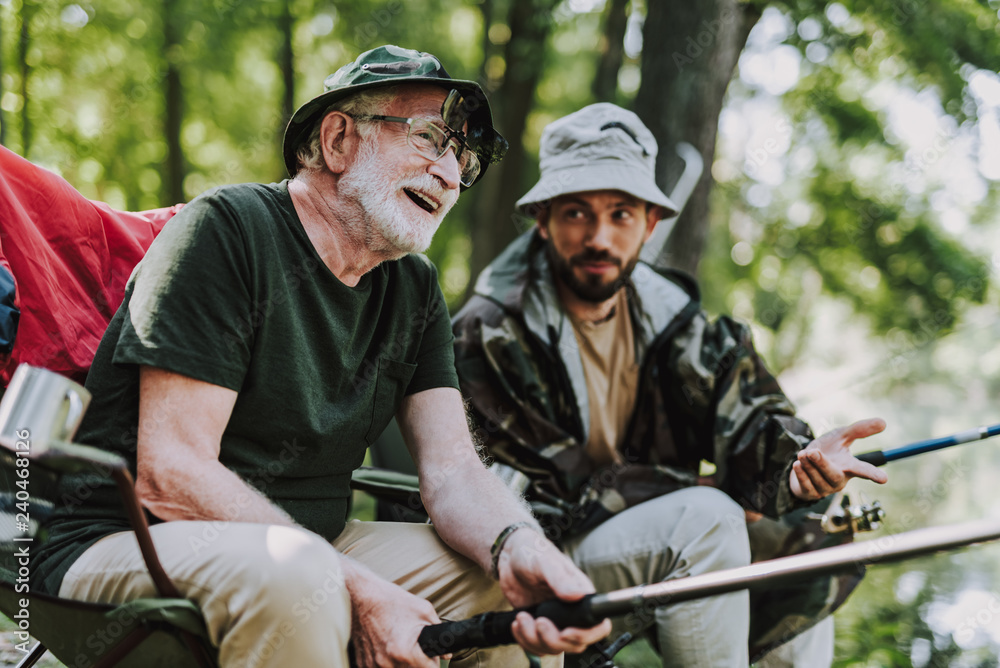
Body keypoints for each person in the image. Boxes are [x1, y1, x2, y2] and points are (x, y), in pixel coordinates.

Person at [29, 46, 612, 668]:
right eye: (430, 139)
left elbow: (453, 473)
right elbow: (170, 474)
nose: (449, 174)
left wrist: (518, 545)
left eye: (463, 159)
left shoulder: (413, 290)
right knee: (302, 576)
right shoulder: (226, 230)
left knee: (498, 586)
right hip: (126, 541)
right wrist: (358, 588)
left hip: (308, 549)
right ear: (338, 140)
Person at [451, 103, 890, 666]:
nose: (599, 238)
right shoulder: (488, 332)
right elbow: (556, 489)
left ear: (650, 223)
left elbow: (754, 415)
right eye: (577, 213)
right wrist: (700, 490)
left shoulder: (680, 324)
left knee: (805, 544)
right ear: (543, 218)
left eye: (621, 215)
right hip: (533, 548)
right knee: (707, 520)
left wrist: (799, 468)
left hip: (634, 527)